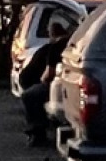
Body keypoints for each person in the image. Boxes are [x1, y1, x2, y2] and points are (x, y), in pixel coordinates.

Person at [18, 14, 74, 148]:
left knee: (29, 96)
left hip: (55, 84)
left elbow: (49, 74)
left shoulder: (55, 47)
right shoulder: (70, 46)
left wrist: (42, 81)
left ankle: (37, 131)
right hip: (65, 83)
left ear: (52, 34)